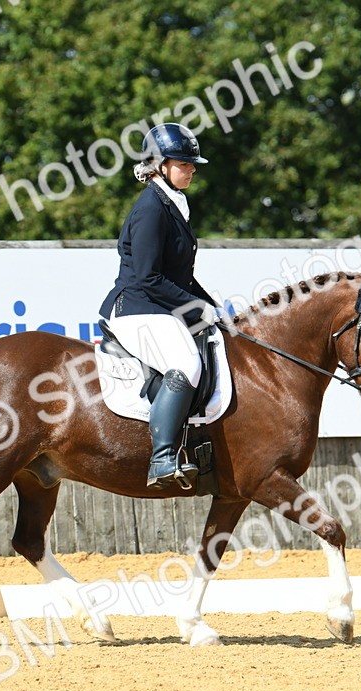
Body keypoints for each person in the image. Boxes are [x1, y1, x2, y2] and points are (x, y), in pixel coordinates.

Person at [98, 122, 222, 489]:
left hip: (158, 305)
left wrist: (212, 305)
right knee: (186, 362)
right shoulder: (152, 208)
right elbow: (149, 278)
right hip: (137, 308)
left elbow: (180, 277)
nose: (192, 168)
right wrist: (197, 308)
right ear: (160, 165)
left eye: (191, 163)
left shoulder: (173, 204)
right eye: (184, 163)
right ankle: (163, 459)